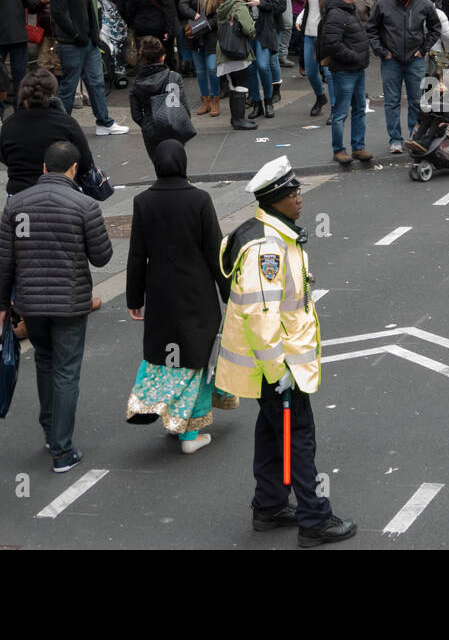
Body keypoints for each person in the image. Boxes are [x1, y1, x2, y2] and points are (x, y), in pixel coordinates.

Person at [215, 156, 356, 546]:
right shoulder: (268, 251)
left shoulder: (268, 233)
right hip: (278, 368)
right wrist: (280, 373)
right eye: (292, 192)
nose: (299, 196)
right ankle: (314, 521)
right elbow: (262, 317)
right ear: (275, 198)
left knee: (272, 432)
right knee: (298, 437)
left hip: (271, 367)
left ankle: (270, 505)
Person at [0, 140, 113, 474]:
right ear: (74, 169)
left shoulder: (16, 205)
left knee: (44, 361)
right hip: (70, 303)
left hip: (31, 303)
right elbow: (102, 258)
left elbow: (5, 260)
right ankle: (62, 449)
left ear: (44, 168)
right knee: (66, 370)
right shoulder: (84, 206)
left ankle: (49, 431)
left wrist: (3, 303)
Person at [124, 140, 232, 452]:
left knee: (170, 359)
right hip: (196, 293)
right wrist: (229, 294)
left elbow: (136, 255)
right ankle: (189, 434)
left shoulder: (143, 201)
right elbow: (215, 252)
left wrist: (134, 298)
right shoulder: (199, 199)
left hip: (160, 295)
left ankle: (173, 418)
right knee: (197, 359)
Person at [49, 0, 129, 135]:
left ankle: (104, 122)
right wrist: (76, 35)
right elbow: (58, 12)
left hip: (90, 41)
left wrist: (95, 32)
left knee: (96, 82)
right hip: (71, 42)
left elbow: (92, 7)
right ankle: (62, 127)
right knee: (69, 86)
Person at [367, 0, 442, 154]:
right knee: (391, 102)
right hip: (391, 61)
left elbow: (435, 28)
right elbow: (371, 29)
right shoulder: (384, 3)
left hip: (414, 61)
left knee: (416, 101)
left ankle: (414, 136)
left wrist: (423, 50)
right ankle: (395, 140)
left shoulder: (424, 4)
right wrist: (382, 52)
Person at [0, 68, 93, 196]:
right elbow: (86, 162)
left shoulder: (9, 124)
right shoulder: (66, 123)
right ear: (53, 94)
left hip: (19, 193)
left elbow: (5, 156)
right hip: (60, 193)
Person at [318, 0, 373, 165]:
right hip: (345, 70)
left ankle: (358, 147)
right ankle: (339, 149)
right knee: (341, 112)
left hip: (357, 69)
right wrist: (354, 56)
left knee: (359, 109)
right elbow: (333, 44)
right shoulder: (336, 14)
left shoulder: (348, 10)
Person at [129, 36, 195, 158]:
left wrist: (146, 124)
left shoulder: (136, 83)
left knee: (158, 165)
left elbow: (136, 114)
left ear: (142, 58)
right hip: (174, 125)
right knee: (178, 164)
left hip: (151, 128)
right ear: (163, 57)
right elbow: (184, 107)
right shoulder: (174, 77)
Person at [215, 0, 259, 131]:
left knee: (233, 84)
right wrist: (252, 30)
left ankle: (236, 119)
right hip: (238, 50)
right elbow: (248, 29)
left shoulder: (222, 6)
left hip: (224, 50)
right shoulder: (238, 5)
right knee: (242, 82)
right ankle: (239, 119)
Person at [180, 0, 222, 117]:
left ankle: (215, 98)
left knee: (212, 67)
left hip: (210, 34)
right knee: (200, 70)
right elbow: (182, 4)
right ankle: (205, 100)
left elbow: (219, 14)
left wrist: (206, 24)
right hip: (195, 34)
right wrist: (194, 15)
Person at [296, 0, 333, 117]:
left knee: (329, 73)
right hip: (309, 34)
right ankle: (320, 97)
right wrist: (300, 18)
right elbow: (309, 6)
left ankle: (335, 106)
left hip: (324, 36)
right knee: (311, 72)